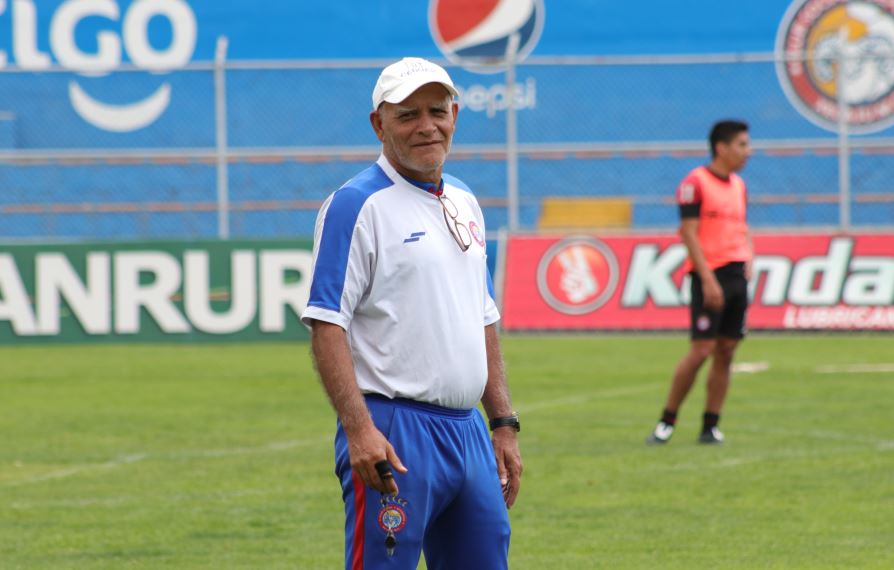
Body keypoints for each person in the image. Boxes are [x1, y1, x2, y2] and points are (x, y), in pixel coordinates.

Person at [301, 57, 522, 570]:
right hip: (394, 429)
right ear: (379, 124)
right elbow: (326, 322)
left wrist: (503, 423)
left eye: (437, 111)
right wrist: (359, 428)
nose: (427, 126)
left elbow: (482, 316)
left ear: (455, 114)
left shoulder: (465, 200)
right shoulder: (356, 205)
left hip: (467, 431)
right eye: (407, 115)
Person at [646, 120, 753, 445]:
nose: (748, 151)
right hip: (710, 275)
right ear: (721, 147)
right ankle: (667, 420)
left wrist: (749, 260)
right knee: (701, 350)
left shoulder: (738, 185)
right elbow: (688, 233)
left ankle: (711, 425)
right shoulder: (696, 182)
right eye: (742, 144)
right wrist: (707, 279)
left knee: (727, 351)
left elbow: (742, 229)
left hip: (737, 275)